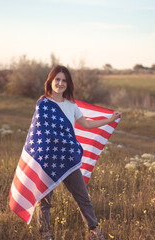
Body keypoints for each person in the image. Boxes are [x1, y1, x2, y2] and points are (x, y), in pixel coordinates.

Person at [36, 65, 122, 240]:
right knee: (44, 199)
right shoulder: (43, 104)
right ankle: (45, 233)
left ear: (68, 84)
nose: (60, 83)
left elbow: (87, 124)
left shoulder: (71, 105)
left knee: (83, 197)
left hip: (68, 158)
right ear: (51, 81)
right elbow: (37, 133)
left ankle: (94, 230)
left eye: (64, 80)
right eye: (57, 79)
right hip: (49, 159)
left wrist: (110, 119)